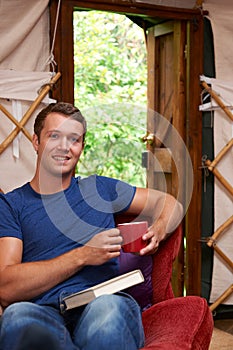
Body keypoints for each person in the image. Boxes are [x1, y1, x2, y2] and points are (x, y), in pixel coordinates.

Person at [0, 102, 183, 350]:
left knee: (106, 314)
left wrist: (160, 228)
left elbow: (169, 203)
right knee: (16, 317)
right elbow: (6, 286)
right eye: (54, 136)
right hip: (43, 311)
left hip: (103, 301)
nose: (64, 147)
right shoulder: (12, 205)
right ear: (36, 142)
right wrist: (83, 255)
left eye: (74, 139)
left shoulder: (99, 189)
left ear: (81, 147)